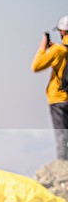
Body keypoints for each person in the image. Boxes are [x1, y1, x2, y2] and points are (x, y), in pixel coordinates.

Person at [32, 15, 68, 160]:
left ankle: (63, 166)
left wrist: (43, 48)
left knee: (62, 136)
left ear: (63, 32)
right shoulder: (59, 50)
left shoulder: (58, 50)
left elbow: (37, 66)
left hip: (58, 99)